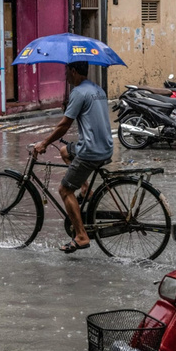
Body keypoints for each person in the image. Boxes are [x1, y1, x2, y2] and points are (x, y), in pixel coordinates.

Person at [33, 61, 113, 253]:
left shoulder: (78, 92)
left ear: (74, 71)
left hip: (90, 151)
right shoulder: (97, 89)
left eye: (66, 71)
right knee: (65, 151)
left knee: (64, 190)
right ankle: (85, 189)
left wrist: (43, 143)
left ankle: (81, 236)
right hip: (105, 147)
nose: (65, 76)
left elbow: (64, 125)